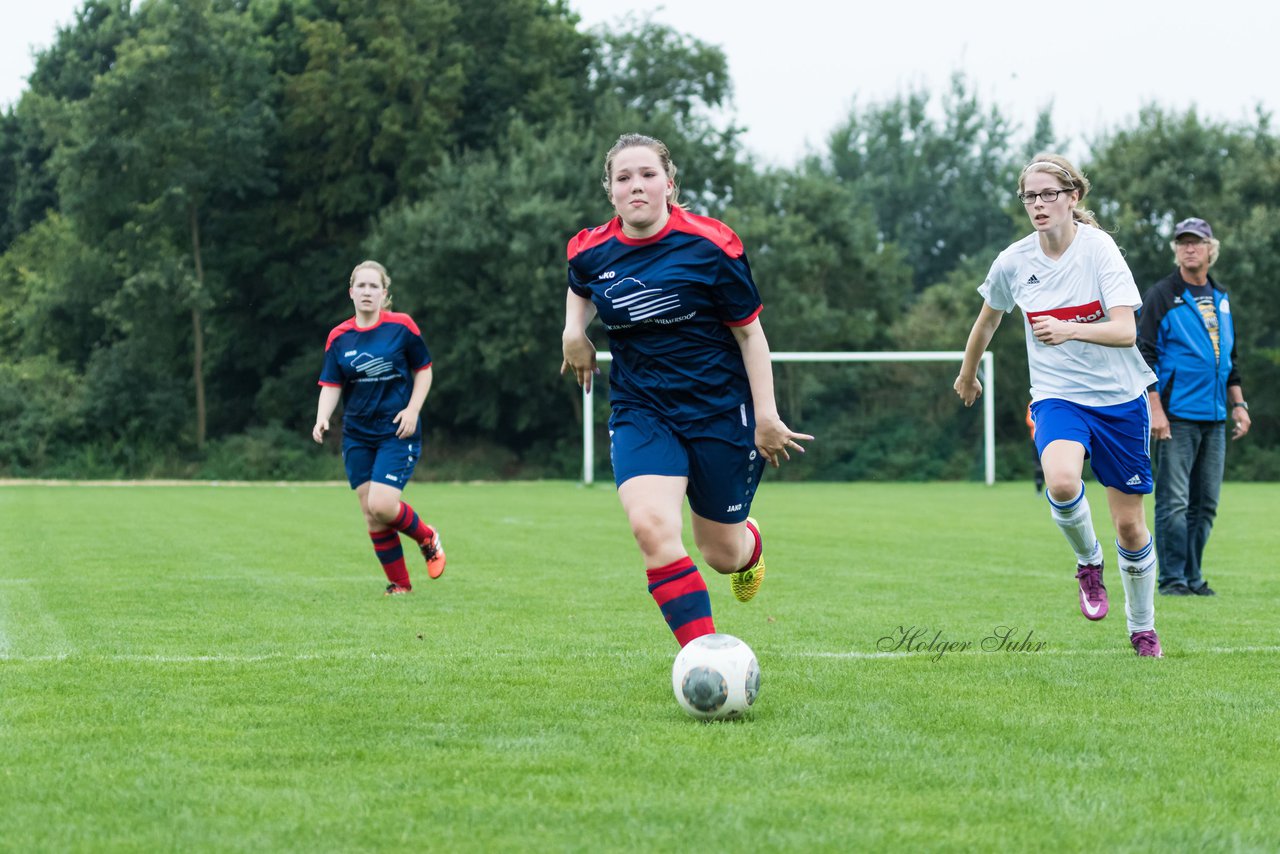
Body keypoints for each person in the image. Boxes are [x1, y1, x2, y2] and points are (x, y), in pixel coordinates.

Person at [561, 132, 812, 647]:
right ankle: (706, 657)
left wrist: (766, 415)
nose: (636, 186)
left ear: (669, 185)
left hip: (720, 410)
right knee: (652, 527)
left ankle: (750, 543)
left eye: (648, 175)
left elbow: (749, 332)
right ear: (609, 190)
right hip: (642, 408)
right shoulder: (590, 248)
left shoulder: (712, 245)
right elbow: (580, 283)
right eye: (624, 177)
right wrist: (573, 333)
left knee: (721, 555)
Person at [954, 153, 1164, 658]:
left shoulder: (1100, 251)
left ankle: (1142, 628)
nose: (1039, 204)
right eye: (1031, 196)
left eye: (1050, 194)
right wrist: (967, 373)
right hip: (1057, 396)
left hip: (1119, 401)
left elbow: (1126, 330)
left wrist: (1069, 328)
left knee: (1131, 526)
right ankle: (1088, 563)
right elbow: (987, 321)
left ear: (1073, 198)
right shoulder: (1013, 262)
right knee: (1063, 481)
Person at [312, 260, 446, 596]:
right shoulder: (339, 337)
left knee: (383, 505)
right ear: (351, 292)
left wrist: (413, 409)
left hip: (396, 431)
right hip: (357, 434)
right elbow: (331, 383)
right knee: (371, 514)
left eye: (374, 286)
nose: (367, 292)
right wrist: (322, 417)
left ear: (384, 293)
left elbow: (424, 370)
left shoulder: (402, 327)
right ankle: (400, 585)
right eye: (361, 286)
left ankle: (427, 537)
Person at [1138, 217, 1250, 597]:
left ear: (1210, 249)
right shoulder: (1161, 295)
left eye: (1196, 242)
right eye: (1183, 242)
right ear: (1177, 250)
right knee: (1174, 503)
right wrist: (1155, 409)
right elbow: (1143, 353)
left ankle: (1193, 576)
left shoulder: (1222, 298)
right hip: (1175, 416)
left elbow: (1229, 360)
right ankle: (1172, 580)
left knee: (1205, 505)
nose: (1189, 248)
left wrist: (1239, 405)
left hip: (1215, 417)